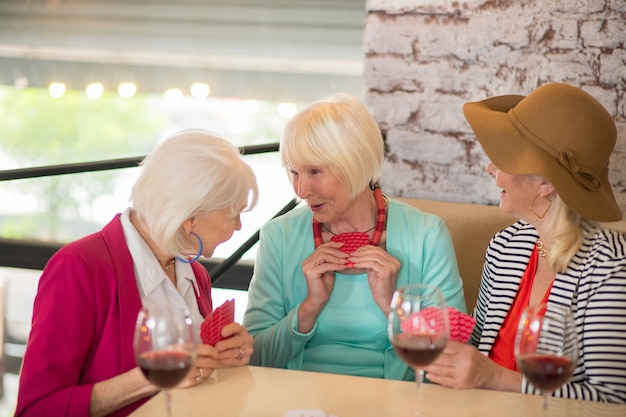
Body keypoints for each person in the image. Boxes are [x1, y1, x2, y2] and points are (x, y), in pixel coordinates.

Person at [15, 129, 259, 417]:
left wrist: (224, 356)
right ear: (189, 217)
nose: (239, 227)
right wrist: (154, 375)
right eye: (233, 215)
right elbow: (37, 409)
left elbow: (192, 381)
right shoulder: (78, 268)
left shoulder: (194, 274)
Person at [424, 83, 626, 403]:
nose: (491, 169)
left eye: (503, 159)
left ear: (545, 182)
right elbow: (478, 347)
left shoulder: (610, 268)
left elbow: (613, 399)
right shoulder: (506, 245)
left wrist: (494, 378)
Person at [242, 93, 466, 381]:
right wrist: (309, 308)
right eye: (294, 172)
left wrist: (391, 307)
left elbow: (455, 359)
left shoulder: (426, 235)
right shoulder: (279, 236)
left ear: (355, 163)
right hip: (297, 401)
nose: (301, 190)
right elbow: (252, 356)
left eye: (315, 171)